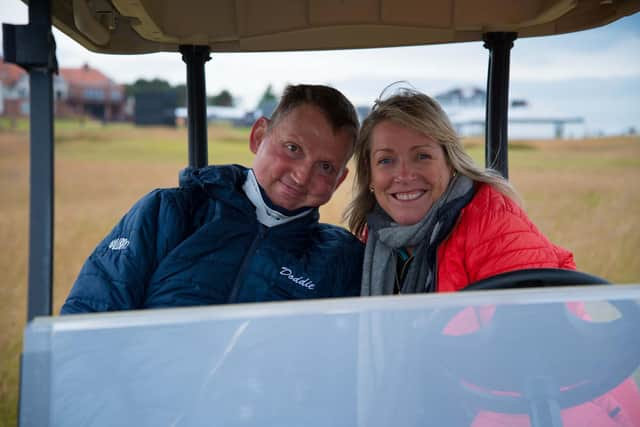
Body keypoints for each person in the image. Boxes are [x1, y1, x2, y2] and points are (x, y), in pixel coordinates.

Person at [345, 88, 640, 426]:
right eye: (386, 160)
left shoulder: (493, 221)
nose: (404, 174)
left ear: (450, 161)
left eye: (422, 156)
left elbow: (535, 351)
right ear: (370, 176)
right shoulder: (374, 242)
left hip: (532, 403)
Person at [61, 84, 364, 314]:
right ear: (258, 136)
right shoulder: (167, 214)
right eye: (293, 148)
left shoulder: (340, 259)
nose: (301, 175)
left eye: (325, 167)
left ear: (339, 181)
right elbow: (88, 322)